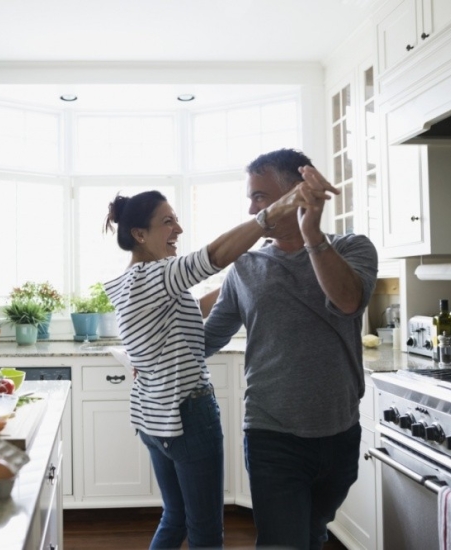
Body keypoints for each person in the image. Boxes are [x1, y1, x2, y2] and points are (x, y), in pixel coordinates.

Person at [102, 176, 338, 550]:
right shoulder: (158, 275)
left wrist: (239, 276)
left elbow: (189, 311)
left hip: (154, 417)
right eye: (167, 221)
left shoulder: (132, 282)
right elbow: (211, 257)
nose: (178, 229)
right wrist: (274, 211)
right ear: (140, 234)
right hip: (187, 417)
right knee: (206, 532)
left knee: (175, 516)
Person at [203, 148, 378, 550]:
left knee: (314, 531)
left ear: (296, 194)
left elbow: (348, 302)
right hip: (271, 433)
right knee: (283, 541)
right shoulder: (245, 267)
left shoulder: (353, 248)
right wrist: (152, 357)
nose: (252, 208)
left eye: (260, 196)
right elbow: (208, 339)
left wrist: (312, 234)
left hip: (340, 432)